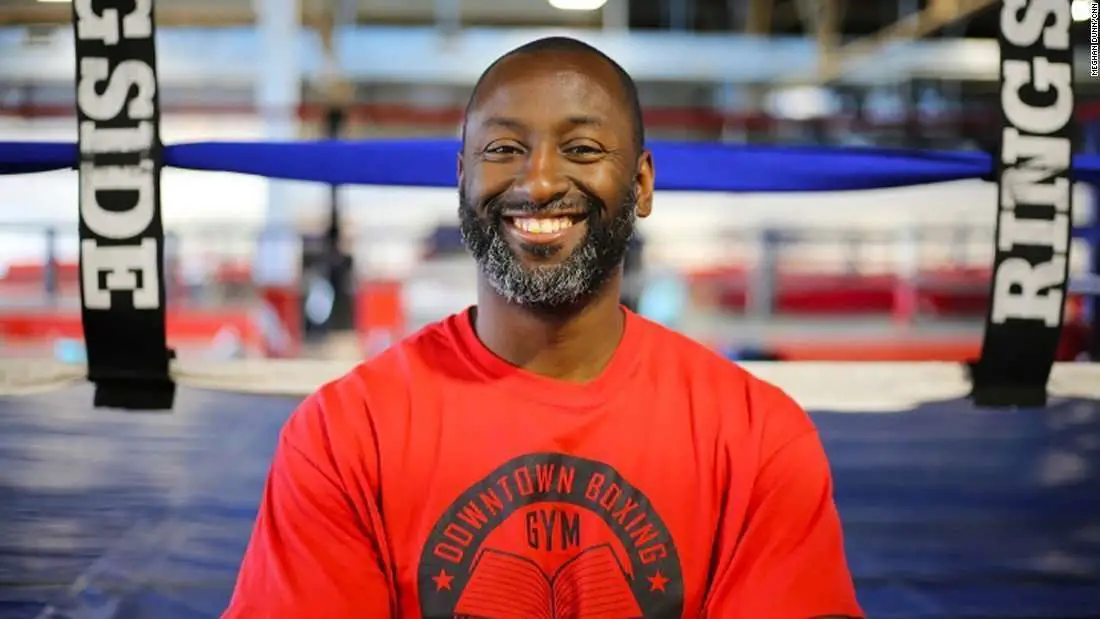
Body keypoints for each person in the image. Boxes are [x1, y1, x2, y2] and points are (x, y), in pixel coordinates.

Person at [223, 36, 863, 619]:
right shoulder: (343, 435)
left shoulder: (757, 437)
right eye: (504, 149)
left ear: (640, 183)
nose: (540, 182)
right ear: (462, 178)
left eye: (581, 149)